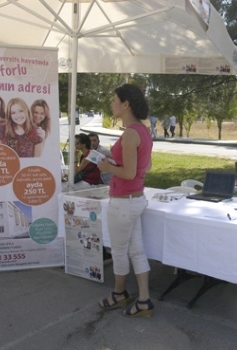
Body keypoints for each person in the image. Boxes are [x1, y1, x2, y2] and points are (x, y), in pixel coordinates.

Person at [97, 83, 154, 318]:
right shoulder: (142, 131)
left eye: (114, 100)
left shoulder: (131, 133)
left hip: (123, 201)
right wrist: (115, 160)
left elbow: (129, 173)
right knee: (137, 251)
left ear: (126, 104)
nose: (112, 104)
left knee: (119, 252)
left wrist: (107, 166)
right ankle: (143, 300)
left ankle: (119, 294)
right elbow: (146, 166)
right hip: (135, 198)